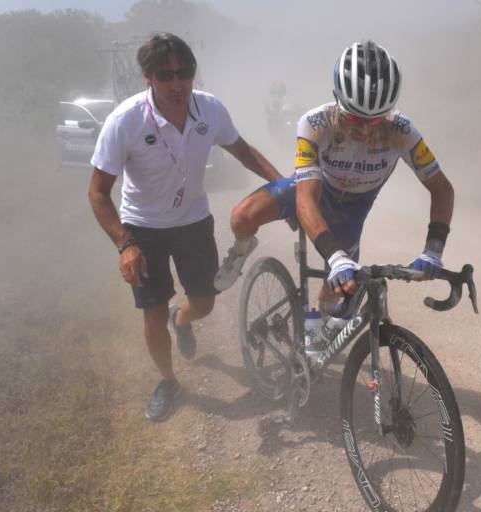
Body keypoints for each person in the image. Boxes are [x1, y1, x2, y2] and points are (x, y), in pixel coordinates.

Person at [88, 33, 283, 422]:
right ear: (148, 77)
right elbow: (97, 193)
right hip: (143, 227)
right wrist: (125, 244)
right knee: (152, 311)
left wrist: (285, 189)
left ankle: (184, 318)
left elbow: (243, 152)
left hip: (194, 221)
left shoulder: (208, 110)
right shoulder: (125, 121)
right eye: (166, 75)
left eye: (185, 72)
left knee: (206, 302)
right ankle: (168, 381)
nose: (178, 83)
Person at [214, 40, 454, 322]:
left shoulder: (402, 129)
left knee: (336, 290)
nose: (364, 127)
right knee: (242, 216)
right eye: (354, 117)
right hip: (315, 191)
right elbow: (305, 198)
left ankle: (315, 336)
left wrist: (433, 249)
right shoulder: (315, 123)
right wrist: (334, 255)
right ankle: (240, 251)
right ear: (337, 98)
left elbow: (441, 189)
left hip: (353, 208)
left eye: (376, 120)